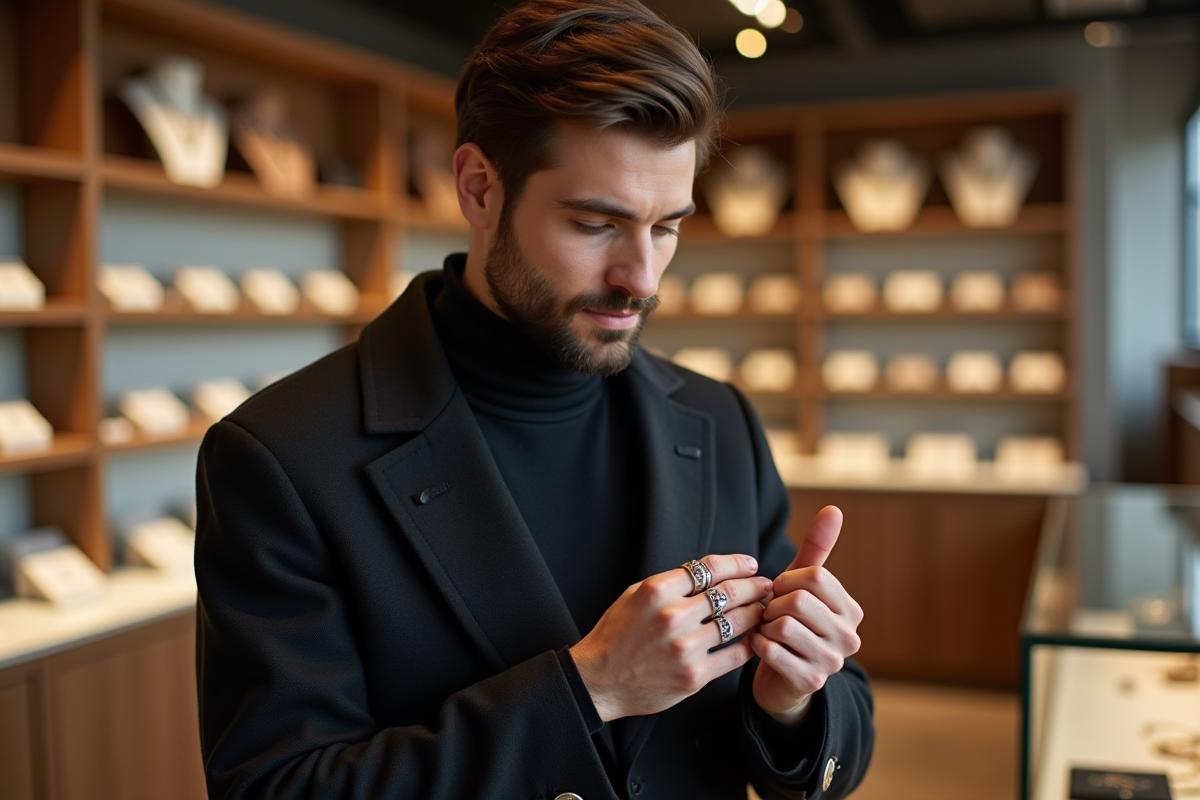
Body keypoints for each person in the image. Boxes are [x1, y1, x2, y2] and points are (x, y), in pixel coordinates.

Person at [194, 1, 875, 798]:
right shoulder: (283, 456)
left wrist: (793, 701)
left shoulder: (719, 419)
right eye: (597, 223)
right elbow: (275, 789)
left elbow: (829, 744)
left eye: (668, 228)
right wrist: (590, 689)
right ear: (481, 189)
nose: (643, 278)